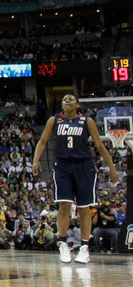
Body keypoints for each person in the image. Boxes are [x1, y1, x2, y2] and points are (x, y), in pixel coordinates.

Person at [31, 93, 119, 264]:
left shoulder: (87, 121)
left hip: (84, 166)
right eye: (64, 99)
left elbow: (99, 145)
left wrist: (112, 168)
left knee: (84, 208)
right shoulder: (54, 120)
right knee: (64, 205)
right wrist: (36, 160)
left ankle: (84, 247)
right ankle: (63, 243)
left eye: (70, 99)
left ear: (77, 104)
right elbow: (42, 141)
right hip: (62, 165)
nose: (67, 101)